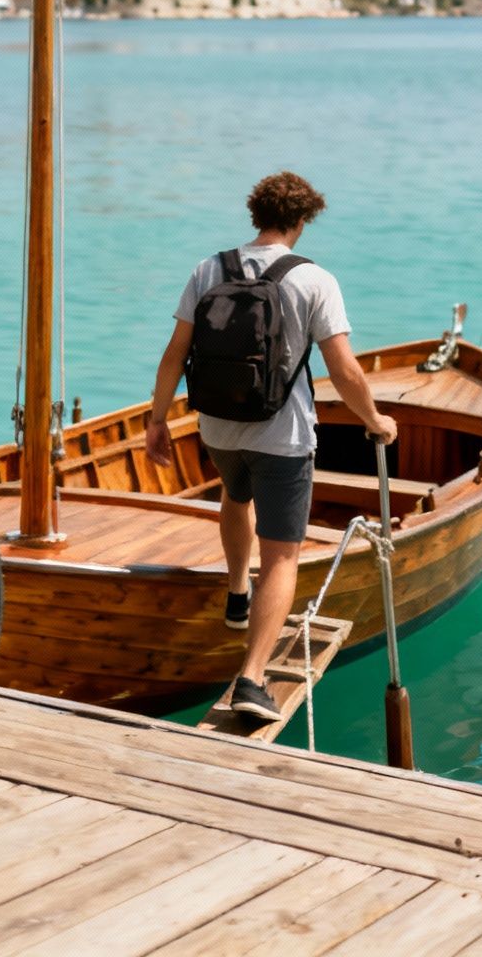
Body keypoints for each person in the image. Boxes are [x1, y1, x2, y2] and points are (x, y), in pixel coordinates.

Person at [146, 171, 396, 722]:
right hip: (282, 437)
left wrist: (158, 419)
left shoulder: (208, 269)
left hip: (217, 427)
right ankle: (252, 680)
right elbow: (344, 369)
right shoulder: (314, 280)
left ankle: (238, 593)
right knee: (281, 554)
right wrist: (375, 419)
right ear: (302, 220)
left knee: (236, 497)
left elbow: (174, 354)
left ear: (255, 214)